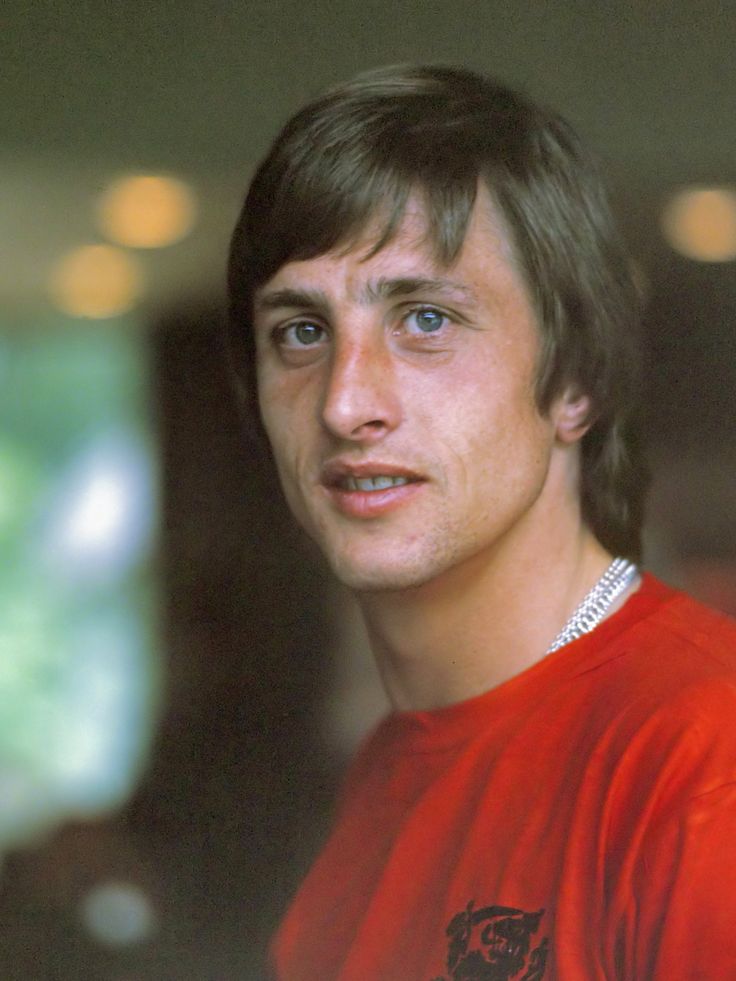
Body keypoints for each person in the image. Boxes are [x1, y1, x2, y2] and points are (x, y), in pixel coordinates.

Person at [228, 65, 736, 980]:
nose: (344, 403)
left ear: (574, 383)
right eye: (301, 331)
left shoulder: (703, 758)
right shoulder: (388, 770)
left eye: (425, 318)